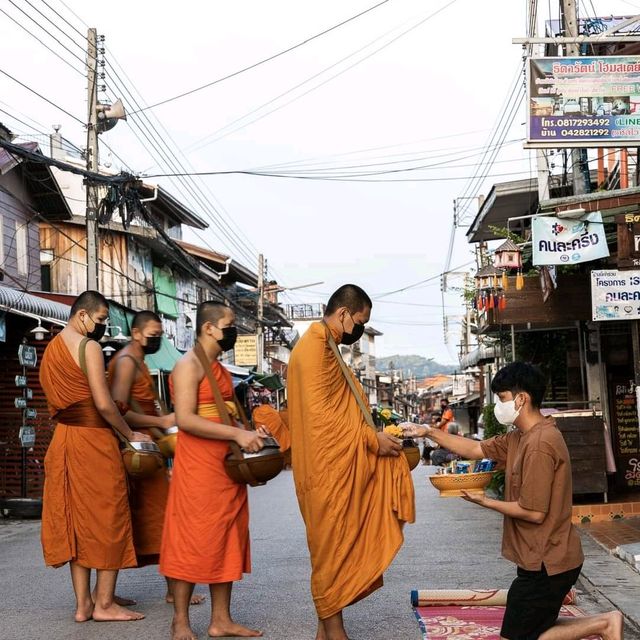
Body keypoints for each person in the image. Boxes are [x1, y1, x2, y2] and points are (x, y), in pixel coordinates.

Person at [404, 362, 623, 640]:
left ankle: (604, 625)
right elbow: (475, 448)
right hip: (538, 560)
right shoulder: (519, 437)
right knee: (531, 631)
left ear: (522, 398)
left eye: (502, 398)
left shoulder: (540, 443)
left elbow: (533, 513)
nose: (499, 405)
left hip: (549, 562)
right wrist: (427, 431)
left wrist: (485, 501)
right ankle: (605, 623)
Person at [288, 284, 415, 640]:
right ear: (344, 314)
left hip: (331, 464)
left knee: (333, 545)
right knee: (332, 547)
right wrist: (371, 439)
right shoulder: (314, 350)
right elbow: (322, 422)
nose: (359, 331)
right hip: (326, 468)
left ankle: (323, 630)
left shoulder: (323, 344)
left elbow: (334, 410)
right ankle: (336, 631)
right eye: (360, 322)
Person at [39, 290, 150, 623]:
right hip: (93, 441)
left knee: (78, 520)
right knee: (108, 515)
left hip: (63, 440)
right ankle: (104, 605)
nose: (102, 326)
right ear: (83, 315)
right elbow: (103, 405)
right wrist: (129, 435)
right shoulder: (88, 347)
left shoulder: (50, 350)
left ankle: (84, 603)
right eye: (101, 319)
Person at [160, 301, 266, 640]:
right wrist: (237, 433)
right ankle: (180, 621)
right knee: (192, 539)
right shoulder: (187, 365)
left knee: (227, 537)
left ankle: (221, 619)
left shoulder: (220, 369)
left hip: (225, 467)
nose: (234, 330)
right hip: (198, 467)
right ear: (209, 328)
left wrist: (249, 432)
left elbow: (226, 414)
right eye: (229, 324)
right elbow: (186, 419)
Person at [108, 310, 205, 607]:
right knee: (160, 520)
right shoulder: (125, 362)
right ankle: (112, 595)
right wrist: (162, 424)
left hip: (150, 449)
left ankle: (161, 590)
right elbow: (117, 408)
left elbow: (144, 404)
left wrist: (163, 421)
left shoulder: (139, 360)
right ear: (136, 333)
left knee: (155, 520)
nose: (157, 338)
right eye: (152, 333)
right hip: (137, 451)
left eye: (160, 333)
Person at [252, 396, 291, 467]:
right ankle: (284, 463)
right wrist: (275, 431)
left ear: (261, 402)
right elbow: (279, 422)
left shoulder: (256, 411)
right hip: (275, 433)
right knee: (281, 443)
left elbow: (254, 421)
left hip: (262, 432)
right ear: (269, 402)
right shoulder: (273, 411)